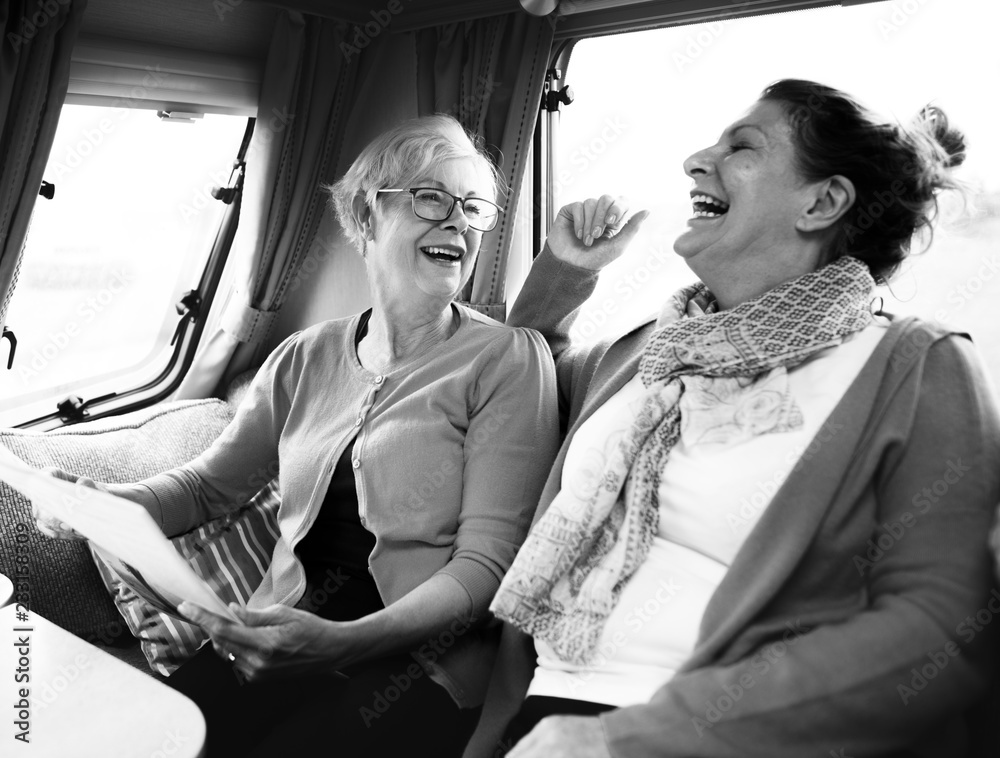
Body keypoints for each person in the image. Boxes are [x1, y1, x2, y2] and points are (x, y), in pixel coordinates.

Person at [466, 80, 1000, 758]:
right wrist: (566, 270)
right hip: (537, 726)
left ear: (823, 202)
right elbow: (530, 368)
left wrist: (626, 741)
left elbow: (940, 631)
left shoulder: (913, 365)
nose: (696, 160)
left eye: (741, 146)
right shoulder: (648, 353)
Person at [33, 114, 559, 757]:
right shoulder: (305, 357)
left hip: (419, 668)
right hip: (276, 641)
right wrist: (110, 502)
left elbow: (486, 568)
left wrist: (338, 644)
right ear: (366, 218)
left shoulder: (508, 359)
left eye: (472, 208)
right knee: (140, 737)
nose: (457, 221)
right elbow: (206, 488)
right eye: (431, 198)